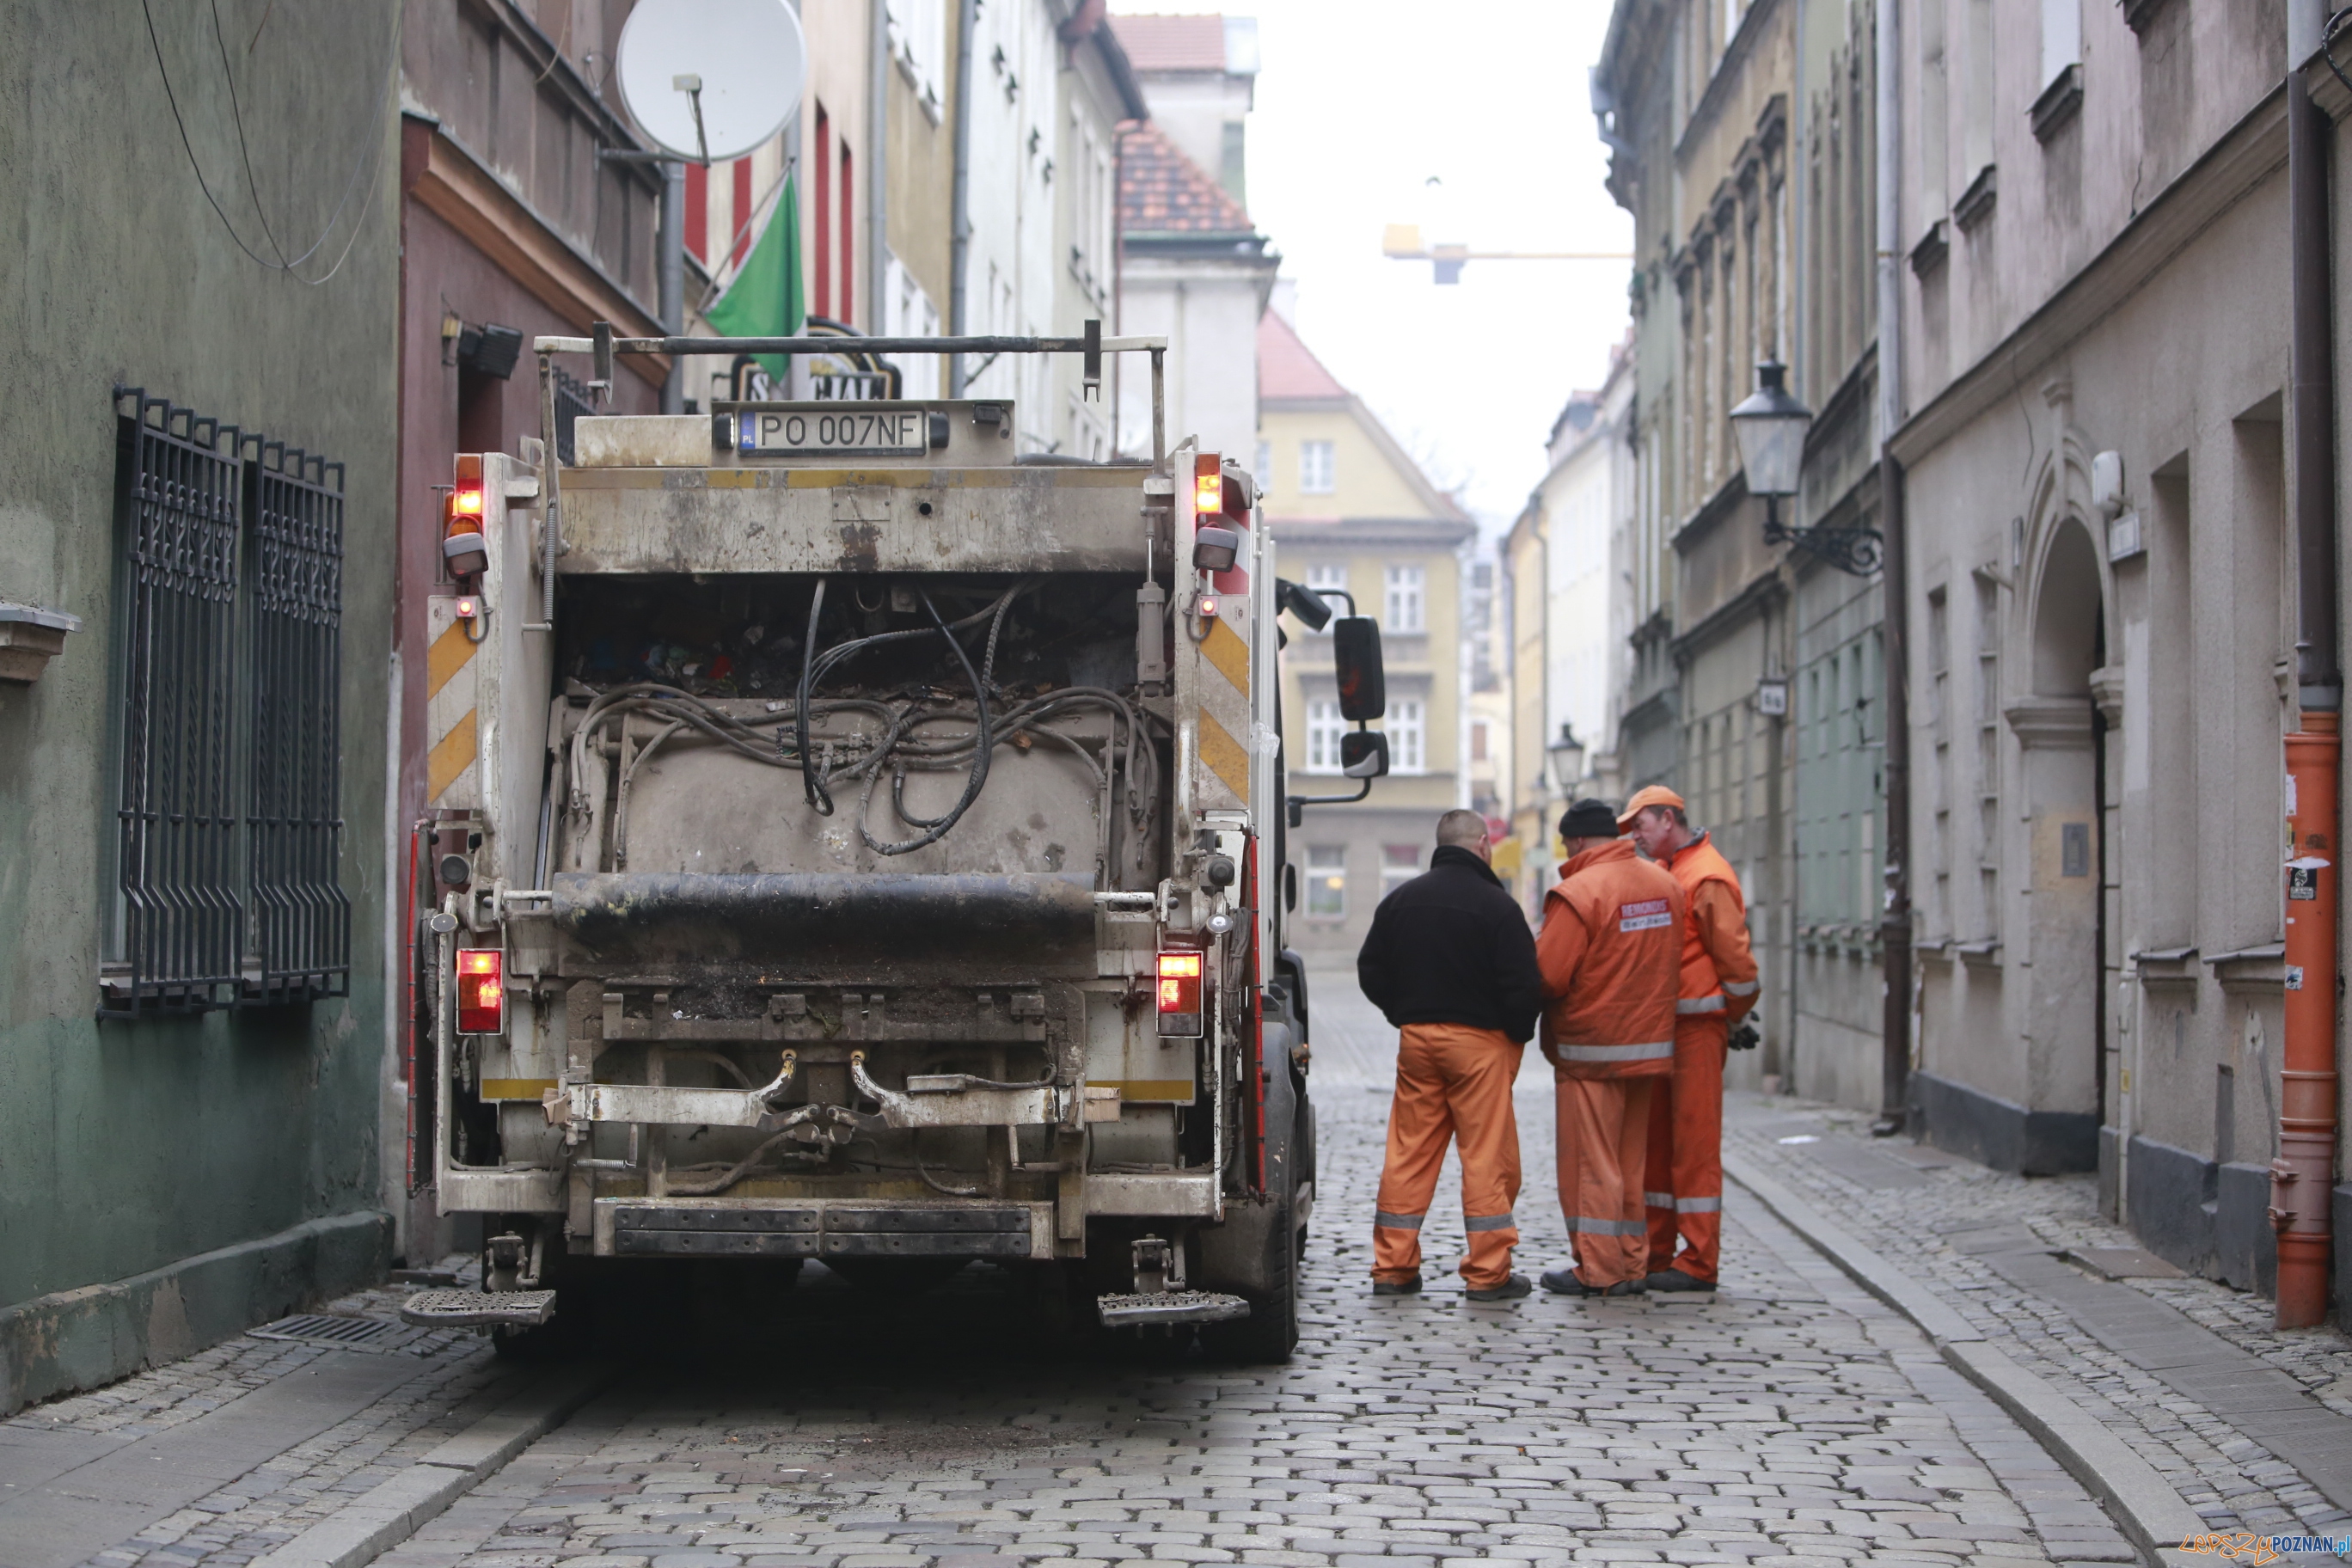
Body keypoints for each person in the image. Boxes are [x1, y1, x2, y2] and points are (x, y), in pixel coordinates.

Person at [1357, 808, 1546, 1302]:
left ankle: (1392, 1268)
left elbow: (1371, 969)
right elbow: (1525, 984)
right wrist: (1515, 1035)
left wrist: (1403, 1013)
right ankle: (1488, 1274)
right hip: (1480, 1045)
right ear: (1482, 844)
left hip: (1418, 1042)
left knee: (1408, 1154)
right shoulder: (1498, 907)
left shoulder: (1401, 900)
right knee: (1486, 1158)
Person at [1534, 797, 1685, 1297]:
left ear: (1576, 841)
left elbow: (1549, 976)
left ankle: (1599, 1271)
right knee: (1629, 1167)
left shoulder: (1579, 891)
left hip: (1590, 1051)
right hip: (1648, 1047)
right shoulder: (1666, 885)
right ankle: (1633, 1262)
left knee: (1592, 1169)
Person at [1622, 785, 1760, 1293]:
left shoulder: (1706, 875)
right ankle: (1659, 1252)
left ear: (1667, 819)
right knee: (1658, 1146)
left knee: (1694, 1145)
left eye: (1640, 824)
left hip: (1698, 1028)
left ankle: (1700, 1261)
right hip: (1668, 1028)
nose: (1635, 835)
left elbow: (1737, 964)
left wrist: (1735, 1015)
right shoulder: (1673, 872)